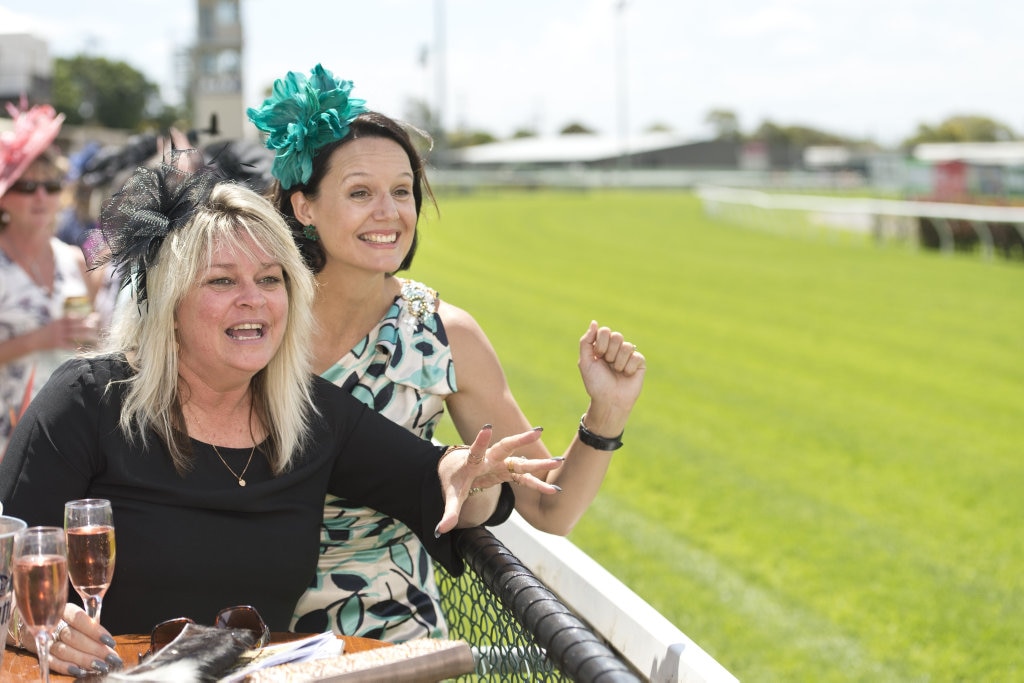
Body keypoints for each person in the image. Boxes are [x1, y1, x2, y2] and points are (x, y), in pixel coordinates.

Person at [0, 152, 562, 678]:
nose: (254, 298)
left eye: (271, 280)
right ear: (169, 305)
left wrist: (466, 472)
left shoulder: (310, 413)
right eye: (222, 280)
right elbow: (9, 572)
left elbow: (430, 476)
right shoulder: (86, 402)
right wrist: (24, 623)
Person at [248, 64, 646, 641]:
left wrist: (606, 415)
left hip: (387, 635)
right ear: (303, 206)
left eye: (402, 192)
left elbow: (548, 508)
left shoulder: (444, 334)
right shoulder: (252, 317)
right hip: (242, 624)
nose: (389, 213)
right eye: (360, 192)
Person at [0, 99, 100, 457]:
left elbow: (89, 346)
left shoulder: (75, 260)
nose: (41, 196)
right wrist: (37, 339)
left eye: (52, 185)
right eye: (27, 187)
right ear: (4, 198)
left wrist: (92, 336)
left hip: (62, 438)